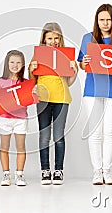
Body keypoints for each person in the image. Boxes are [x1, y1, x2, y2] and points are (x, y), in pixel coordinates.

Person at [78, 4, 112, 185]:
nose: (105, 23)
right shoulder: (88, 38)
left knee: (109, 132)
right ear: (97, 20)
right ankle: (96, 171)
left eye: (108, 19)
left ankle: (107, 171)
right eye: (102, 19)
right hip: (92, 90)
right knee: (95, 133)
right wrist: (83, 62)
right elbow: (81, 65)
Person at [29, 22, 78, 185]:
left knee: (58, 136)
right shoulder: (38, 56)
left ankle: (58, 170)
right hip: (43, 98)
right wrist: (31, 69)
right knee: (44, 136)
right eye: (49, 38)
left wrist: (74, 70)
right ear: (44, 39)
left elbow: (69, 82)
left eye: (56, 38)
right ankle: (45, 170)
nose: (53, 41)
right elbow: (32, 82)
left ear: (60, 38)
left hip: (62, 98)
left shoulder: (65, 55)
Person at [0, 50, 28, 186]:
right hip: (5, 118)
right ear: (7, 64)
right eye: (12, 62)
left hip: (20, 119)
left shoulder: (26, 82)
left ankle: (19, 174)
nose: (15, 65)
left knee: (21, 147)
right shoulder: (0, 81)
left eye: (18, 62)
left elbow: (30, 98)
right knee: (4, 146)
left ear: (23, 64)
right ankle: (6, 174)